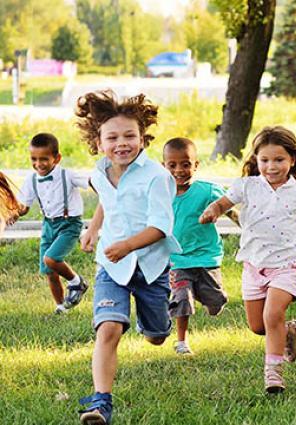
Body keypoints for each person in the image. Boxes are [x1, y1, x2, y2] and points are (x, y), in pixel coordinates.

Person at [75, 90, 181, 424]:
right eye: (113, 137)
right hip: (112, 266)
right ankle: (101, 402)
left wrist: (127, 246)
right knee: (108, 330)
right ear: (98, 141)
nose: (122, 143)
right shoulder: (99, 173)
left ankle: (155, 321)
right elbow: (110, 200)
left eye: (130, 136)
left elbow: (161, 227)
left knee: (157, 336)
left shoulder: (157, 177)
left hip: (150, 266)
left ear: (143, 138)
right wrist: (94, 228)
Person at [200, 126, 296, 393]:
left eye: (279, 160)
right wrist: (212, 210)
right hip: (254, 266)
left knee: (271, 314)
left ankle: (273, 375)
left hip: (287, 265)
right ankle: (288, 330)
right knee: (258, 326)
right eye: (264, 160)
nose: (271, 166)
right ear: (256, 159)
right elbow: (223, 203)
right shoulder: (248, 186)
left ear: (292, 159)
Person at [163, 137, 233, 355]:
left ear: (196, 165)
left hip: (206, 257)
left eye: (185, 164)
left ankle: (210, 299)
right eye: (172, 165)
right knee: (181, 297)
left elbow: (230, 209)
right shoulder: (160, 194)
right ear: (163, 166)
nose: (179, 170)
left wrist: (247, 227)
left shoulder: (208, 191)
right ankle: (181, 341)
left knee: (215, 300)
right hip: (178, 259)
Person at [14, 133, 89, 314]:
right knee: (49, 271)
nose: (38, 164)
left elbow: (89, 181)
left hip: (69, 224)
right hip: (48, 225)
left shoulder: (67, 175)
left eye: (44, 159)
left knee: (51, 259)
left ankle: (76, 282)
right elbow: (23, 206)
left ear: (57, 158)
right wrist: (14, 214)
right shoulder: (32, 179)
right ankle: (61, 307)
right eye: (34, 159)